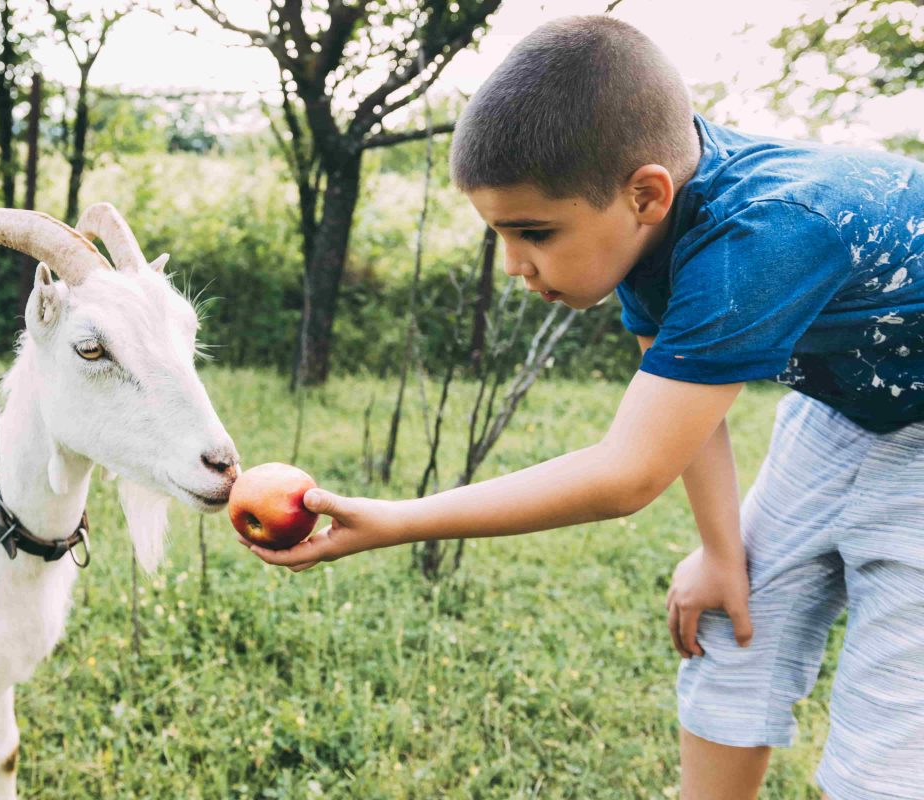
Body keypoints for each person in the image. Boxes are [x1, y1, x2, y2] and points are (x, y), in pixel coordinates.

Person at [236, 14, 924, 800]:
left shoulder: (761, 235)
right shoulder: (650, 212)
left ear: (646, 195)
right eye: (499, 233)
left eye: (533, 231)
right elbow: (679, 413)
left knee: (890, 733)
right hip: (840, 409)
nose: (516, 265)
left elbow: (627, 475)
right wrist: (721, 554)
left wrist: (397, 519)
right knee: (732, 617)